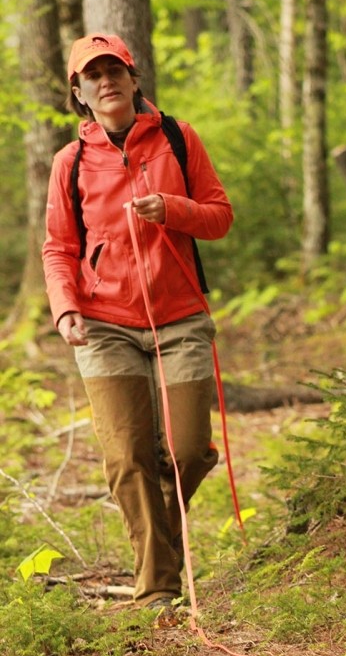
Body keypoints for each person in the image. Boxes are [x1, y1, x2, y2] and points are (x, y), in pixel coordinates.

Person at [43, 32, 234, 609]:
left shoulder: (178, 138)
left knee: (189, 450)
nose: (106, 81)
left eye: (115, 70)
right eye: (92, 75)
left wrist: (172, 210)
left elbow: (220, 218)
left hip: (178, 319)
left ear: (133, 78)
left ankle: (161, 544)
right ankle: (157, 588)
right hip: (103, 324)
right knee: (128, 456)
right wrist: (66, 308)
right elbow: (57, 247)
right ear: (79, 91)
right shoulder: (70, 162)